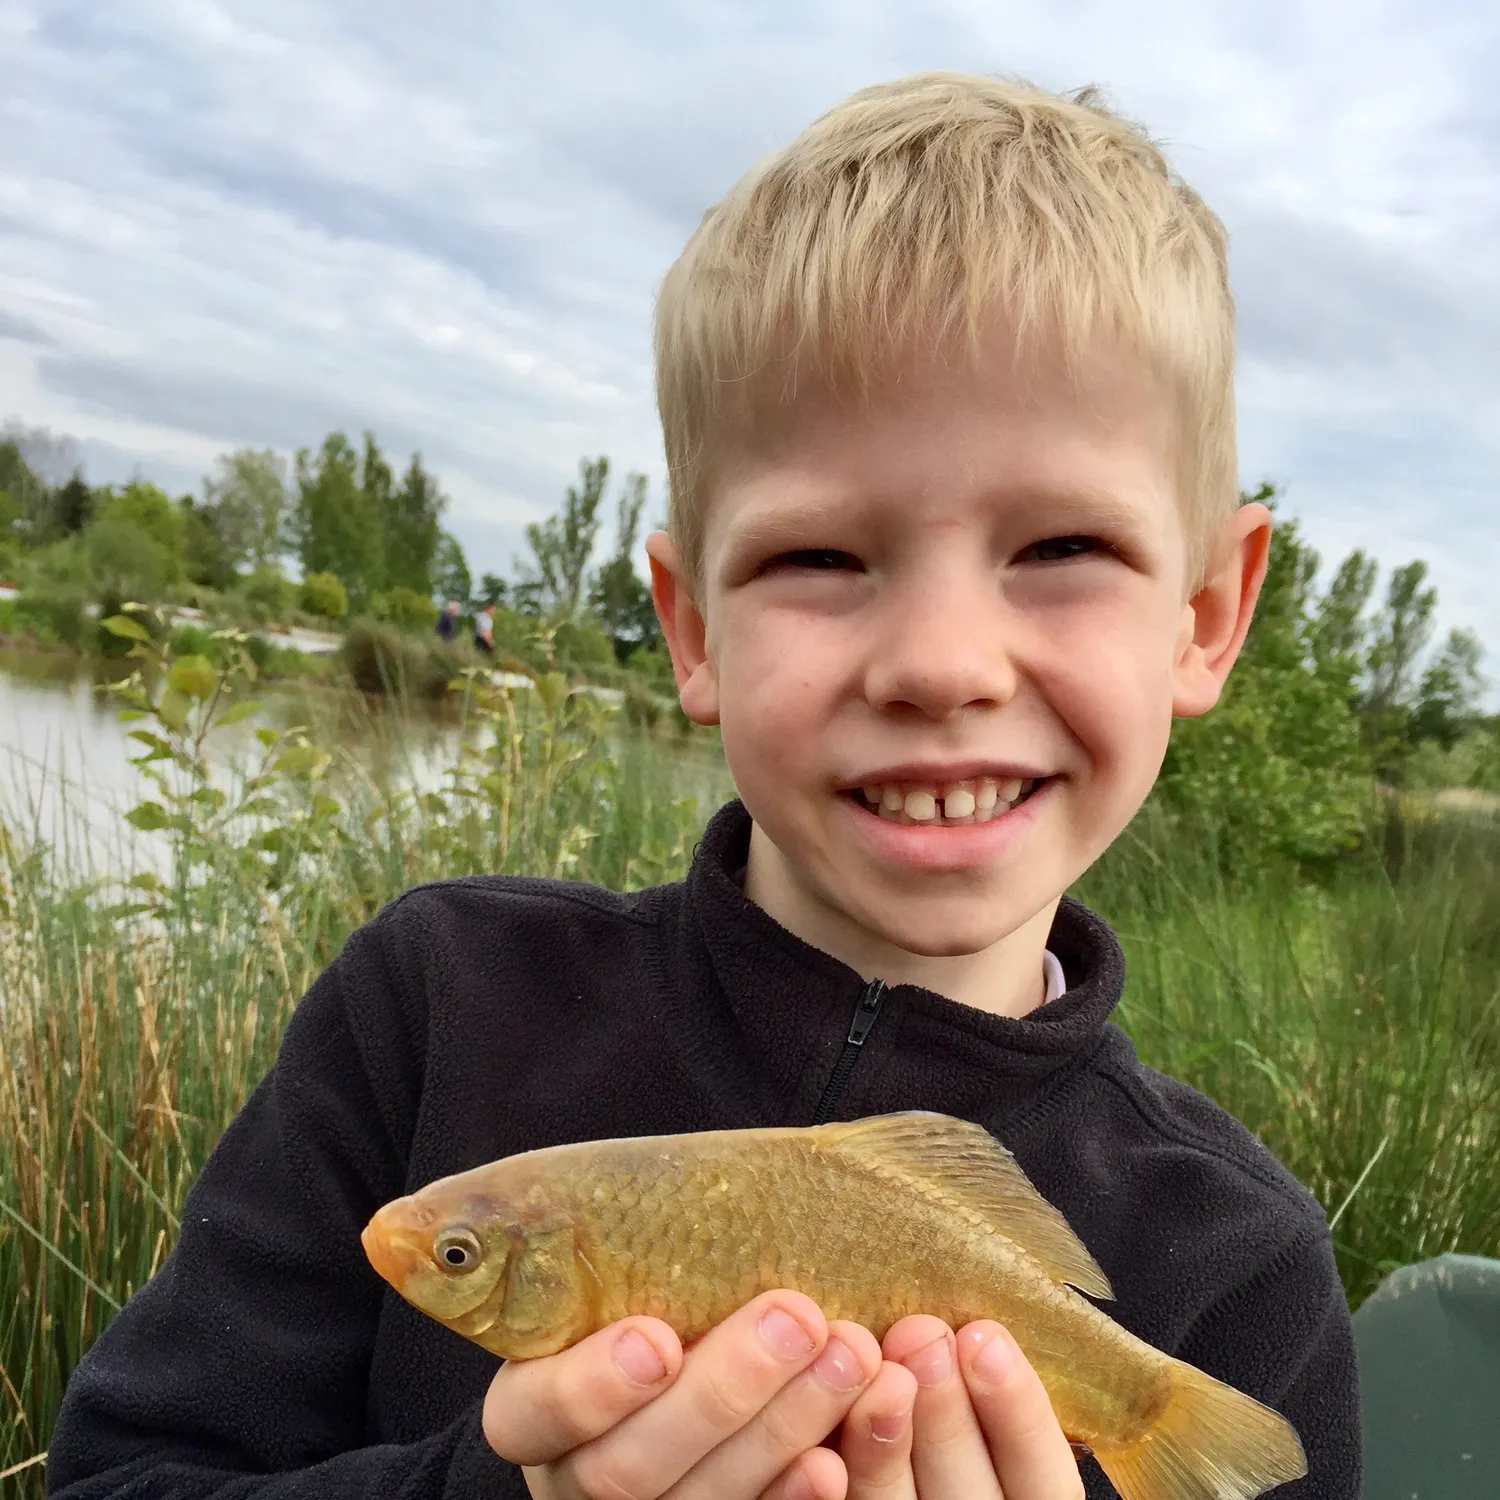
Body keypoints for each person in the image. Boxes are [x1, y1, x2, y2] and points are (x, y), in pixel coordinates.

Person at [46, 72, 1360, 1500]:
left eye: (1060, 549)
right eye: (818, 558)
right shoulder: (434, 1004)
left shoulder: (1246, 1273)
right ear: (689, 629)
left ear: (1209, 613)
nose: (938, 665)